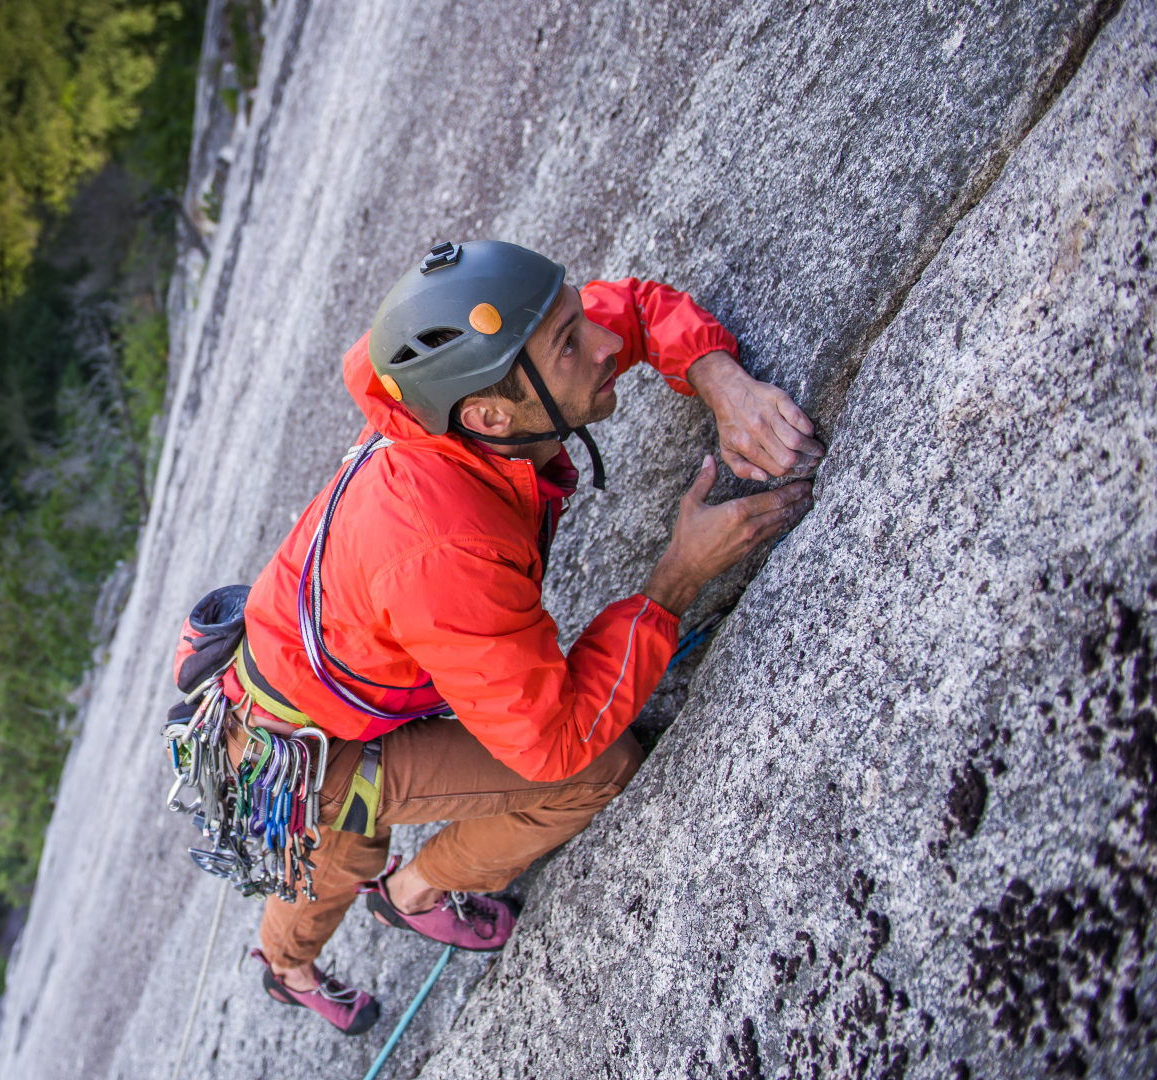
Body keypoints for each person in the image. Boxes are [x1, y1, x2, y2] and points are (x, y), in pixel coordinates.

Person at [231, 241, 824, 1034]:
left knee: (351, 840)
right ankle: (304, 958)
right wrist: (675, 582)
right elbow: (555, 743)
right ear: (486, 418)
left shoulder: (484, 381)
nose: (604, 346)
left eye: (578, 321)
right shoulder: (444, 550)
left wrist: (724, 383)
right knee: (362, 840)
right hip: (300, 743)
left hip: (342, 663)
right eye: (573, 344)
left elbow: (637, 310)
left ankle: (395, 902)